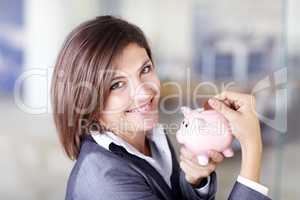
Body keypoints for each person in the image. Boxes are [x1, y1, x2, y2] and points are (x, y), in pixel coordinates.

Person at [51, 15, 271, 200]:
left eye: (145, 69)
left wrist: (194, 181)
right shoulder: (103, 181)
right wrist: (252, 147)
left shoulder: (151, 135)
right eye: (117, 84)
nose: (145, 93)